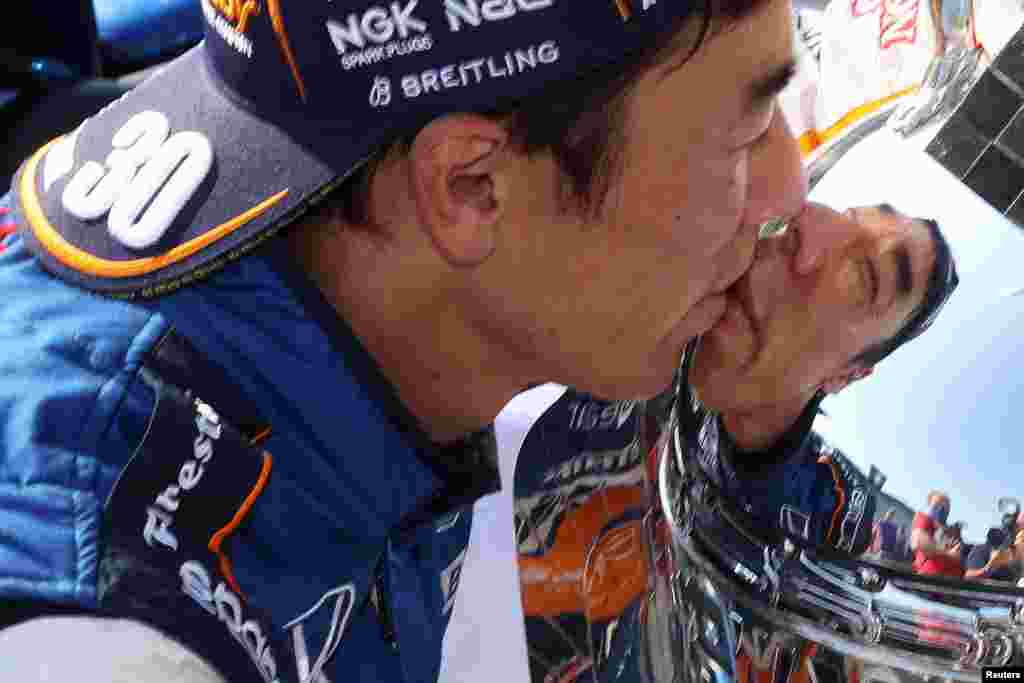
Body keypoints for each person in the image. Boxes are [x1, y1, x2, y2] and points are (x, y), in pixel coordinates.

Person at [0, 0, 808, 680]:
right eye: (747, 131)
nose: (788, 191)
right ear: (469, 186)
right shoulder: (102, 633)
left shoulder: (386, 301)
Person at [440, 201, 959, 683]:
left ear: (849, 374)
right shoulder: (595, 332)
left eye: (866, 274)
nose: (810, 225)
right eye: (845, 212)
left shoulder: (822, 547)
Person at [911, 492, 964, 578]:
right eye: (937, 505)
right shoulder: (923, 519)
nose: (941, 509)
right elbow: (918, 543)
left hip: (955, 581)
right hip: (931, 576)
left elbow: (958, 553)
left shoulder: (951, 531)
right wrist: (949, 553)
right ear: (929, 506)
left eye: (945, 508)